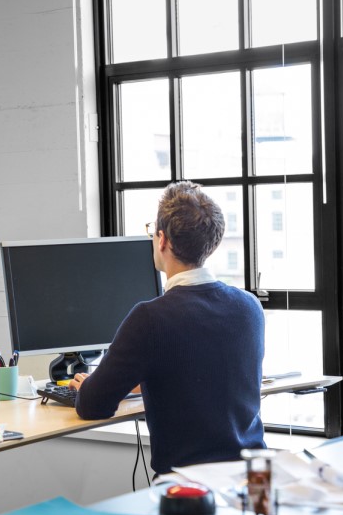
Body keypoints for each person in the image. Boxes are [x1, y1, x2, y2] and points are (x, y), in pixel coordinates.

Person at [70, 181, 266, 475]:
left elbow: (94, 406)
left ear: (162, 239)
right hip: (250, 480)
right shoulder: (249, 307)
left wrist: (85, 386)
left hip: (187, 487)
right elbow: (203, 370)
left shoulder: (151, 318)